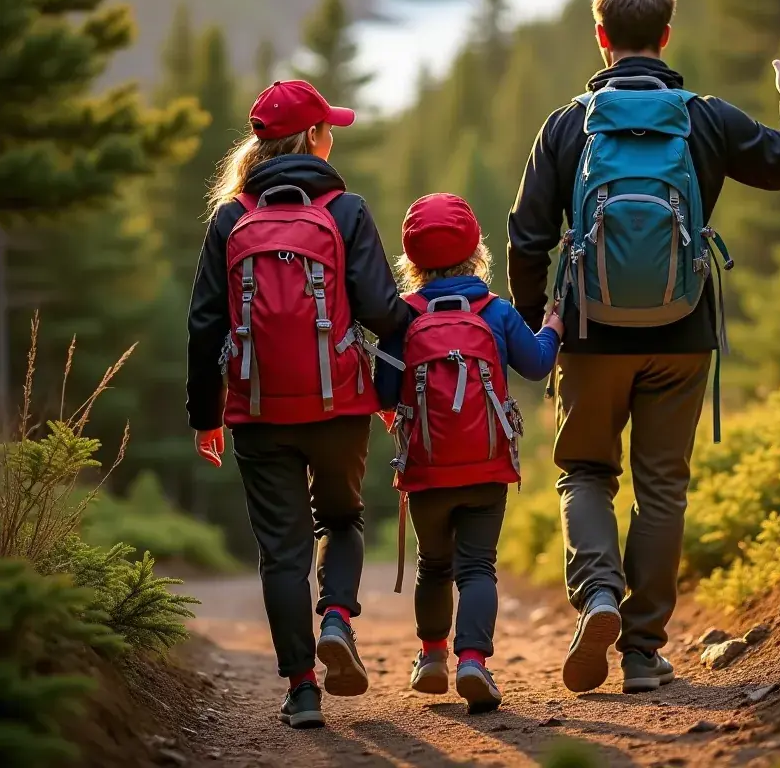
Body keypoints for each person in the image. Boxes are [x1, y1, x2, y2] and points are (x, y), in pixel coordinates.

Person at [507, 0, 780, 694]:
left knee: (584, 470)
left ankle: (596, 596)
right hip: (683, 333)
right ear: (667, 36)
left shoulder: (567, 125)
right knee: (662, 491)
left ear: (602, 37)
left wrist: (537, 331)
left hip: (588, 331)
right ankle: (644, 653)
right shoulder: (704, 116)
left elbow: (526, 238)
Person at [187, 79, 410, 729]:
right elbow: (382, 311)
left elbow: (204, 325)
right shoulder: (346, 211)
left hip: (257, 411)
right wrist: (391, 387)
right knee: (341, 520)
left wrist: (207, 416)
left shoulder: (230, 220)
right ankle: (338, 617)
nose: (331, 135)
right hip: (339, 403)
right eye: (327, 127)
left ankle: (304, 688)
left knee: (281, 550)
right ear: (313, 138)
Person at [376, 193, 563, 712]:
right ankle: (474, 662)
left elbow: (384, 393)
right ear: (476, 250)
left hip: (425, 467)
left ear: (411, 261)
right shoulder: (495, 310)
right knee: (477, 567)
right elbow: (537, 364)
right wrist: (553, 327)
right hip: (487, 465)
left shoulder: (402, 316)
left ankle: (431, 656)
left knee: (433, 566)